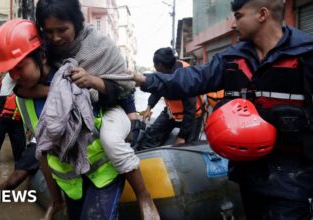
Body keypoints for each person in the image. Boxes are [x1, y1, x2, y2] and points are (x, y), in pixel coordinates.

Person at [133, 0, 313, 219]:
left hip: (293, 177)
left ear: (262, 14)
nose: (233, 24)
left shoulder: (305, 54)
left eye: (238, 16)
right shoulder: (232, 58)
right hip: (247, 172)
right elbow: (193, 79)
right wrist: (145, 79)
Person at [35, 0, 159, 219]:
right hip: (73, 150)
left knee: (111, 141)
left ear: (76, 23)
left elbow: (123, 87)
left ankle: (144, 196)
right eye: (49, 31)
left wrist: (92, 80)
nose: (55, 37)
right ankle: (56, 201)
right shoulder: (45, 52)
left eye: (62, 30)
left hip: (109, 111)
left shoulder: (100, 46)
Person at [139, 47, 204, 150]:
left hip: (192, 116)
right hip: (172, 113)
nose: (154, 67)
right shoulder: (163, 71)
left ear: (159, 65)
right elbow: (157, 91)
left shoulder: (184, 75)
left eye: (154, 64)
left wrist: (182, 136)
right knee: (151, 135)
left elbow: (190, 109)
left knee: (186, 148)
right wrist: (149, 108)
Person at [0, 72, 26, 169]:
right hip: (2, 115)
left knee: (19, 145)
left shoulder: (12, 74)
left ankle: (20, 167)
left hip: (13, 116)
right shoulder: (6, 79)